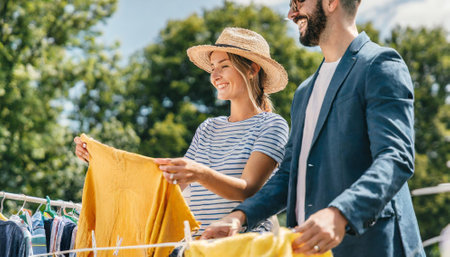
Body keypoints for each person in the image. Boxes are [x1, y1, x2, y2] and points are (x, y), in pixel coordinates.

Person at [201, 1, 426, 257]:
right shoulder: (304, 93)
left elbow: (396, 159)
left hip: (374, 247)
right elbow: (288, 175)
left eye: (298, 2)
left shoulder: (379, 65)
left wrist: (340, 213)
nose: (290, 13)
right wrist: (240, 216)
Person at [74, 27, 290, 235]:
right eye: (212, 67)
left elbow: (248, 190)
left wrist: (200, 173)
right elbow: (169, 185)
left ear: (252, 70)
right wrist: (104, 161)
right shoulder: (208, 128)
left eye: (224, 66)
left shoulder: (272, 125)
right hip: (198, 246)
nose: (214, 75)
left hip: (245, 247)